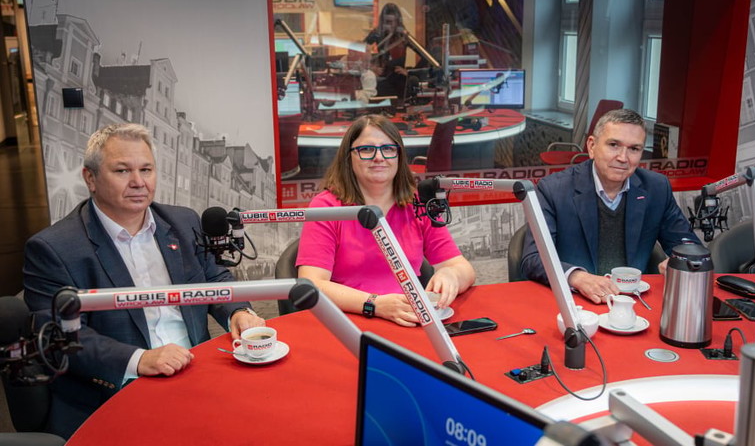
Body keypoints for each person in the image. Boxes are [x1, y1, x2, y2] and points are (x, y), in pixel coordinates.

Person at [23, 123, 265, 438]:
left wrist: (237, 311)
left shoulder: (184, 222)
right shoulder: (53, 249)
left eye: (146, 169)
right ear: (90, 178)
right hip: (115, 393)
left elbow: (213, 276)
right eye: (122, 170)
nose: (138, 182)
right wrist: (140, 360)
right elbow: (61, 338)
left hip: (198, 372)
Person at [296, 114, 475, 327]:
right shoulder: (326, 207)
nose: (379, 157)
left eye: (388, 149)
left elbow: (463, 268)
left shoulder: (419, 203)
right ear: (348, 156)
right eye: (366, 149)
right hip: (347, 324)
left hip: (406, 320)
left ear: (399, 155)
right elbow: (312, 283)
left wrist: (451, 275)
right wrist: (375, 304)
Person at [520, 109, 699, 304]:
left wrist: (684, 258)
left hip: (632, 301)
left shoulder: (656, 188)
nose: (623, 157)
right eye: (614, 145)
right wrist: (576, 277)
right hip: (575, 302)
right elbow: (533, 258)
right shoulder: (553, 189)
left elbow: (688, 243)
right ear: (592, 146)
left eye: (634, 149)